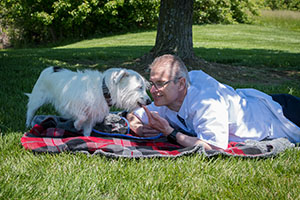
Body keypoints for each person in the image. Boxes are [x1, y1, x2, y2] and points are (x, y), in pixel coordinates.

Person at [127, 54, 300, 150]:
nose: (152, 91)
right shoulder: (166, 100)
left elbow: (215, 147)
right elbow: (134, 114)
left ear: (180, 84)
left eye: (160, 84)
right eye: (152, 83)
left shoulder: (206, 103)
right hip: (265, 104)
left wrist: (170, 133)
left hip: (284, 117)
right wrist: (139, 128)